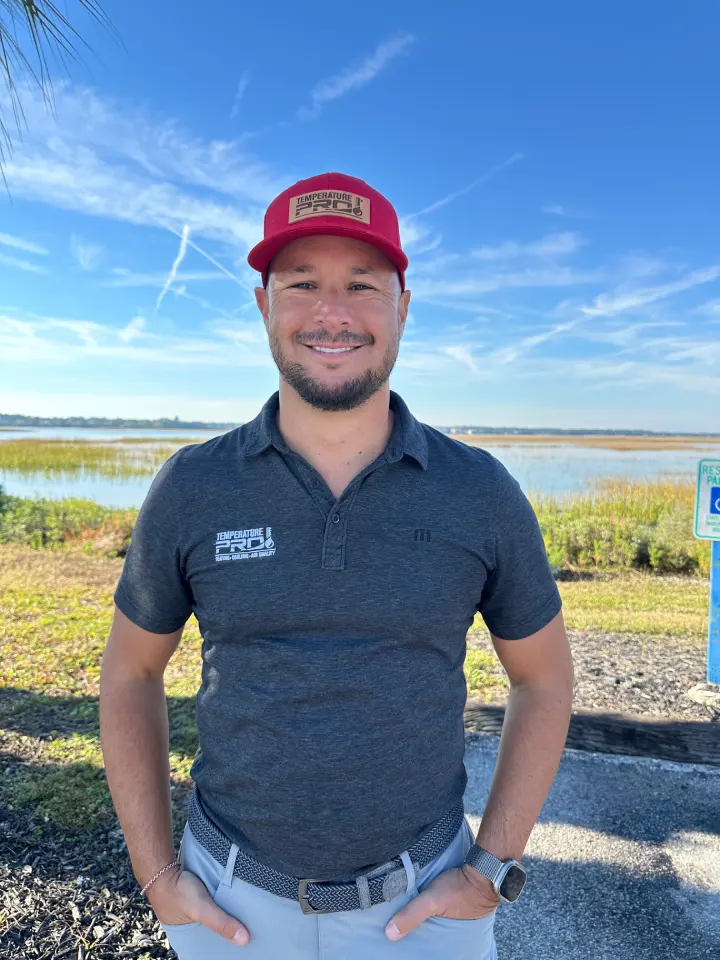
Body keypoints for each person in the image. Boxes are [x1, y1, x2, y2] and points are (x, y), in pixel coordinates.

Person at [99, 172, 574, 959]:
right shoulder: (193, 487)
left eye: (361, 284)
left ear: (403, 309)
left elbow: (545, 679)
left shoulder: (479, 492)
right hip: (228, 908)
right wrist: (155, 875)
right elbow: (128, 675)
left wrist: (493, 865)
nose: (333, 312)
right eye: (302, 284)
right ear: (262, 305)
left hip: (426, 907)